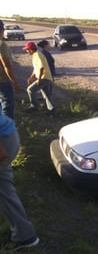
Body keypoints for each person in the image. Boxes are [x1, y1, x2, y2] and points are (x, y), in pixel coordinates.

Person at [0, 107, 39, 251]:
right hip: (7, 136)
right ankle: (24, 235)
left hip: (2, 141)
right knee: (4, 187)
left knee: (4, 190)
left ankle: (25, 236)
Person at [23, 42, 56, 117]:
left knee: (30, 90)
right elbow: (36, 69)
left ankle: (34, 107)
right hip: (46, 78)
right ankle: (52, 111)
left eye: (27, 50)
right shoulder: (35, 55)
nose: (26, 51)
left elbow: (41, 67)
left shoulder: (37, 55)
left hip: (44, 78)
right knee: (47, 95)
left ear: (31, 49)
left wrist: (39, 79)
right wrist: (31, 77)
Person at [0, 20, 21, 119]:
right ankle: (7, 131)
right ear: (1, 30)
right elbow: (7, 65)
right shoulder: (2, 45)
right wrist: (15, 83)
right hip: (3, 81)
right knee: (7, 107)